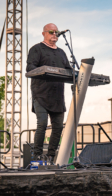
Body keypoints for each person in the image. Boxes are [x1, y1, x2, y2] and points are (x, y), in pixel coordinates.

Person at [26, 23, 72, 161]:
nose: (54, 34)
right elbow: (30, 68)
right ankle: (37, 155)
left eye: (56, 32)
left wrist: (79, 74)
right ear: (44, 33)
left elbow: (69, 71)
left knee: (58, 126)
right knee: (42, 123)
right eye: (51, 32)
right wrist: (44, 70)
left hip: (58, 96)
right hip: (40, 94)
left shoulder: (62, 52)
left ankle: (51, 155)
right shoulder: (36, 49)